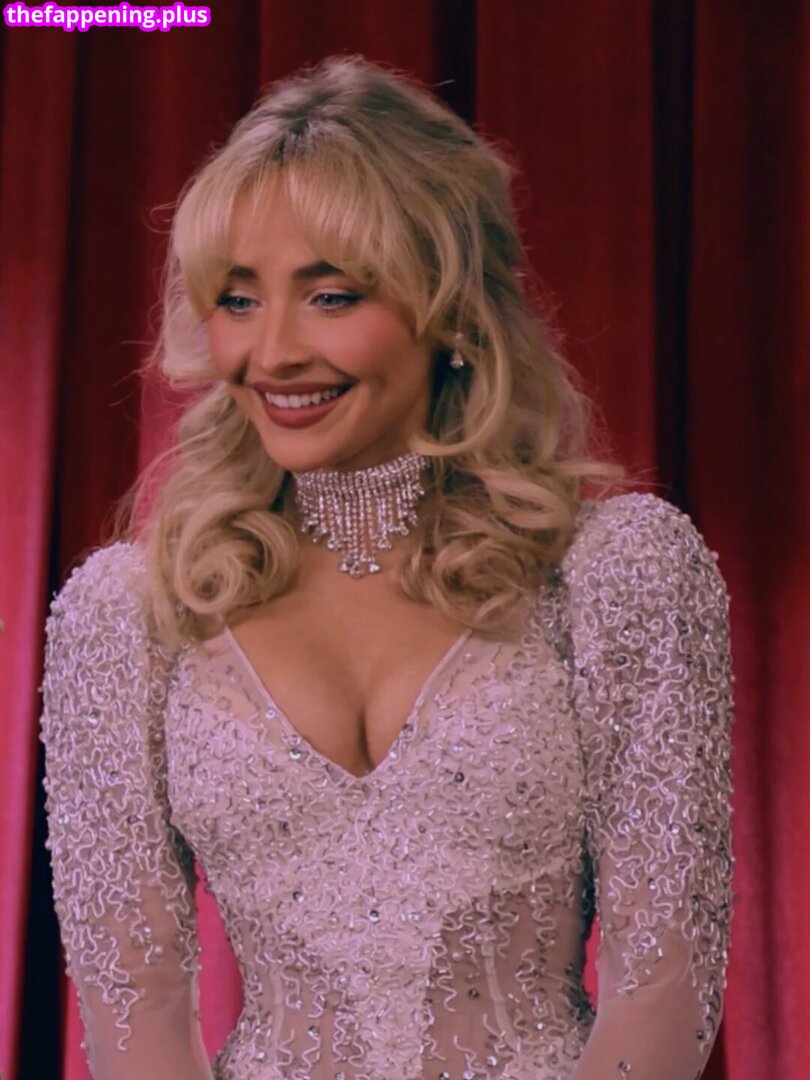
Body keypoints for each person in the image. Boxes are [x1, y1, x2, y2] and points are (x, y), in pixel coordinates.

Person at [39, 53, 734, 1080]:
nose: (273, 352)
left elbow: (664, 984)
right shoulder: (131, 618)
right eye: (237, 299)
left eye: (330, 295)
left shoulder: (618, 578)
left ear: (449, 308)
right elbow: (135, 1007)